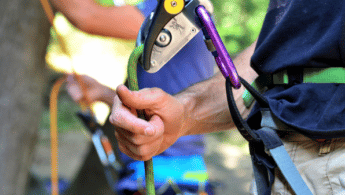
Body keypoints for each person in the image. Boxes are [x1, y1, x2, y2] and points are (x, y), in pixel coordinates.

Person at [109, 0, 345, 194]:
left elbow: (86, 16)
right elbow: (261, 70)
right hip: (281, 163)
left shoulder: (168, 13)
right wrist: (184, 113)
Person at [51, 0, 216, 194]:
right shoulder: (189, 13)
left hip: (165, 178)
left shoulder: (176, 7)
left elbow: (88, 17)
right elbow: (163, 102)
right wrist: (104, 93)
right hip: (171, 175)